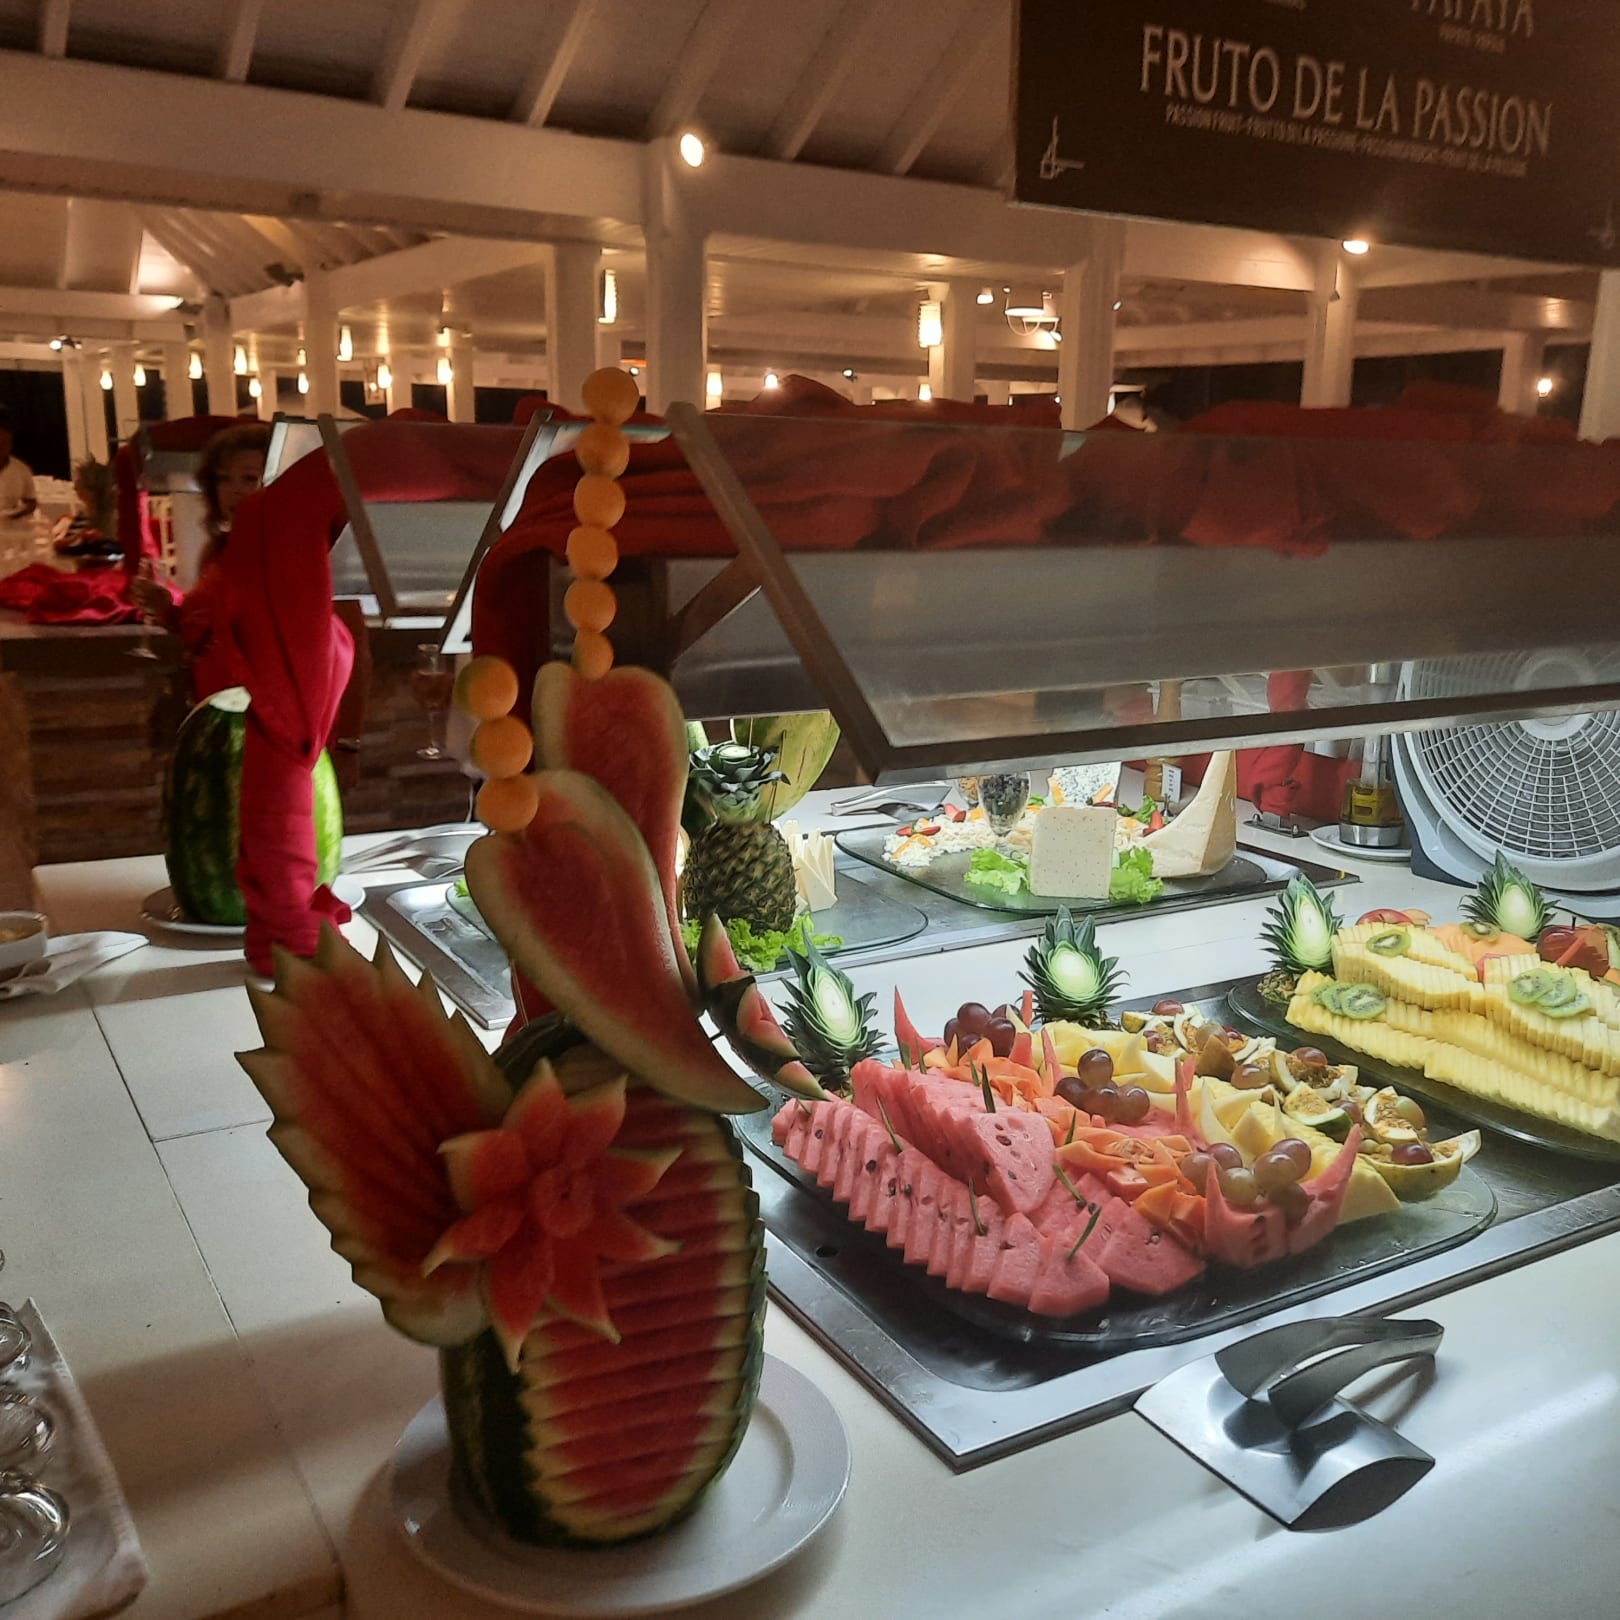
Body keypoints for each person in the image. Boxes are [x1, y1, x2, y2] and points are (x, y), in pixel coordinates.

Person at [130, 422, 270, 699]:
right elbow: (202, 631)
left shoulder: (286, 555)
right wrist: (167, 610)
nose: (234, 490)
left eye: (249, 478)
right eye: (223, 479)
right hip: (214, 695)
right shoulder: (218, 550)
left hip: (256, 704)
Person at [0, 424, 38, 544]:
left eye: (4, 443)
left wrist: (17, 514)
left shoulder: (21, 470)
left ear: (10, 445)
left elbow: (31, 502)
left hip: (9, 531)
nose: (0, 446)